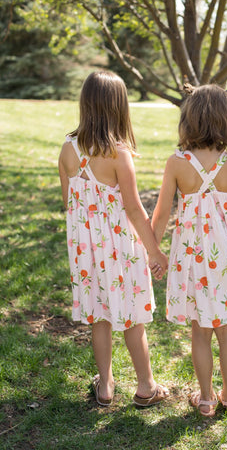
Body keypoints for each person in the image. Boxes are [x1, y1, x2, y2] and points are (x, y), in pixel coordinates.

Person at [58, 71, 169, 408]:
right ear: (119, 107)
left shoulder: (67, 148)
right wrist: (155, 252)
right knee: (132, 317)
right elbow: (134, 211)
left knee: (99, 316)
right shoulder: (118, 153)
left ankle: (105, 386)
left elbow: (69, 204)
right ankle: (146, 387)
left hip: (84, 249)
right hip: (119, 248)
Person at [151, 82, 227, 417]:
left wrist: (155, 250)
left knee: (200, 331)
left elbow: (162, 213)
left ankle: (206, 399)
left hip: (191, 259)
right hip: (225, 259)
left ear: (189, 118)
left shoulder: (177, 163)